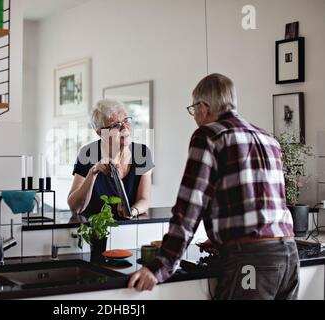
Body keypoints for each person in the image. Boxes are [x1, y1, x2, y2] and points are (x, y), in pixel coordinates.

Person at [128, 73, 299, 300]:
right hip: (288, 256)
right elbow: (262, 202)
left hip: (252, 261)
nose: (195, 116)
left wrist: (161, 266)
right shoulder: (268, 138)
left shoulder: (208, 135)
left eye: (193, 109)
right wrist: (223, 235)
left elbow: (189, 207)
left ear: (203, 107)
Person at [67, 99, 154, 219]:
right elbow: (75, 206)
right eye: (115, 125)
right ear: (100, 133)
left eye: (126, 120)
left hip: (128, 227)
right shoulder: (87, 153)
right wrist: (93, 172)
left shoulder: (142, 153)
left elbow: (144, 199)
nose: (124, 128)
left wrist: (132, 211)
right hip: (94, 228)